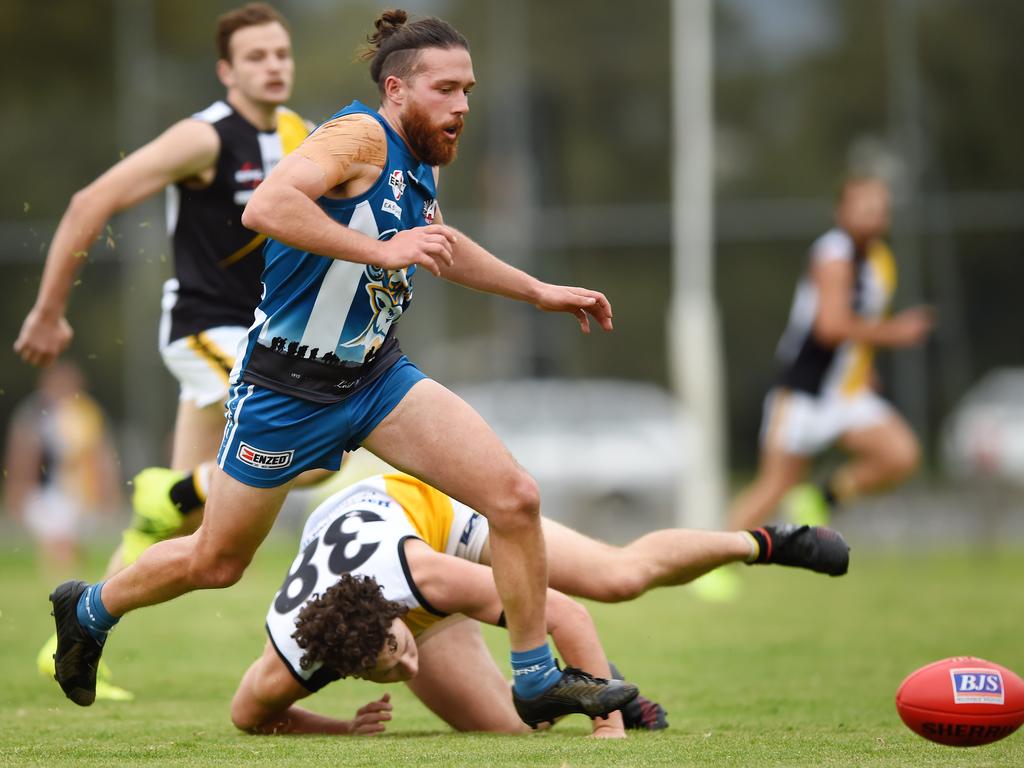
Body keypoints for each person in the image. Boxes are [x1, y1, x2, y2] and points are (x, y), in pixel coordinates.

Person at [48, 10, 624, 729]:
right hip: (283, 391)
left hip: (376, 379)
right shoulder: (357, 136)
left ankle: (536, 678)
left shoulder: (417, 160)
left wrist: (537, 290)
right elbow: (268, 204)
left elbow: (439, 242)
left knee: (514, 499)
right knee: (216, 561)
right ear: (396, 89)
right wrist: (381, 252)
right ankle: (90, 608)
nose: (462, 105)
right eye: (446, 89)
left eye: (468, 89)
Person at [16, 2, 311, 700]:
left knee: (177, 523)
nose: (273, 65)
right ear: (226, 70)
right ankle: (167, 491)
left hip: (257, 338)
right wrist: (49, 310)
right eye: (256, 56)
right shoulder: (205, 137)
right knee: (312, 447)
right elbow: (93, 199)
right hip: (207, 332)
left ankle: (73, 634)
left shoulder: (299, 135)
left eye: (281, 53)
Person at [228, 471, 849, 736]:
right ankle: (611, 682)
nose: (404, 671)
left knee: (616, 577)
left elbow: (564, 614)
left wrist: (609, 730)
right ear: (339, 668)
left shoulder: (429, 580)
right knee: (521, 723)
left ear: (397, 616)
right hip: (374, 572)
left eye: (399, 649)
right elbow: (247, 717)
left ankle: (763, 541)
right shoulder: (296, 656)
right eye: (383, 672)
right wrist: (344, 729)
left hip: (436, 518)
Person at [727, 176, 934, 532]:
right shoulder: (833, 254)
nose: (873, 215)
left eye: (880, 209)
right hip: (803, 392)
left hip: (846, 393)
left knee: (900, 455)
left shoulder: (881, 261)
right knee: (774, 486)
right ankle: (714, 562)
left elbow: (858, 330)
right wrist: (896, 332)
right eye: (864, 207)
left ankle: (821, 498)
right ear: (842, 212)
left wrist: (864, 367)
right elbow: (831, 326)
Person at [3, 362, 121, 575]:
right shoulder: (35, 414)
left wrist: (108, 492)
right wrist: (17, 492)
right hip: (48, 492)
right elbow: (23, 458)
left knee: (73, 543)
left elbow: (101, 457)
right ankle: (59, 584)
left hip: (82, 491)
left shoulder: (87, 414)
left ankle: (66, 582)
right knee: (57, 542)